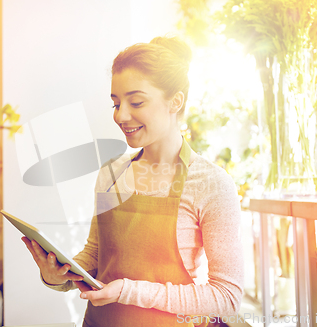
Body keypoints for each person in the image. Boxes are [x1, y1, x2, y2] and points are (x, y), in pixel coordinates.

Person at [22, 35, 244, 327]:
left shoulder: (210, 184)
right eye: (115, 103)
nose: (121, 116)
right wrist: (57, 277)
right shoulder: (111, 173)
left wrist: (129, 291)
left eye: (136, 102)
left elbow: (226, 297)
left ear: (175, 101)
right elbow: (97, 254)